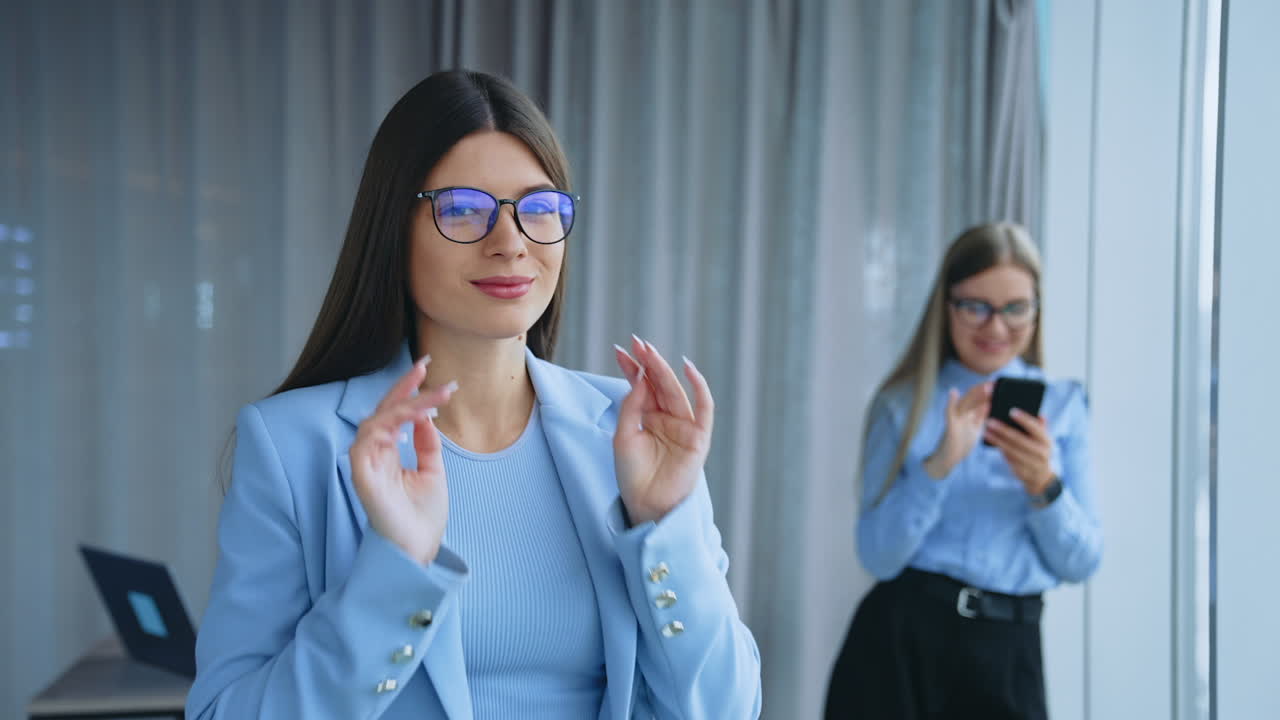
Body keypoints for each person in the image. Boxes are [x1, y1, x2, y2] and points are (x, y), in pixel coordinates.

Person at [185, 69, 761, 720]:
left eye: (540, 210)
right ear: (393, 230)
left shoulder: (633, 435)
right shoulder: (293, 445)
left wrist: (662, 523)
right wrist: (396, 569)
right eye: (462, 209)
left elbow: (725, 708)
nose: (511, 243)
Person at [824, 222, 1102, 720]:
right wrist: (938, 467)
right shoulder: (902, 407)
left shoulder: (1064, 407)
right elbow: (878, 557)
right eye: (975, 306)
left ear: (1037, 309)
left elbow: (1081, 563)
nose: (995, 328)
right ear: (945, 307)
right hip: (900, 649)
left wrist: (1045, 486)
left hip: (1011, 651)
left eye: (1015, 308)